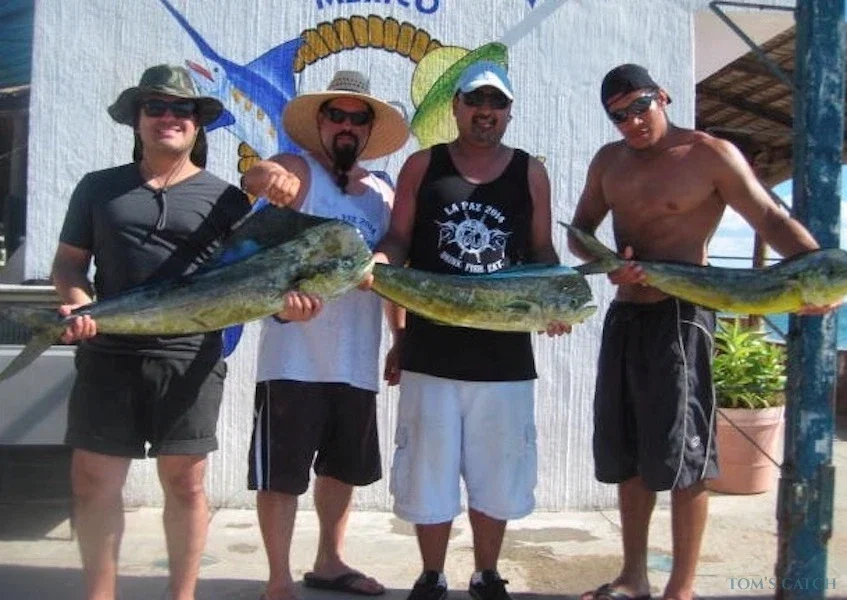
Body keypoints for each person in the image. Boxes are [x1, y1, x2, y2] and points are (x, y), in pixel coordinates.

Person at [568, 63, 837, 600]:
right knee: (628, 456)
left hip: (683, 317)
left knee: (687, 458)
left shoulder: (709, 155)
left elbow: (770, 217)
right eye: (619, 116)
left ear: (662, 97)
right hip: (626, 314)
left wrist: (816, 274)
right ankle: (633, 577)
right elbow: (579, 233)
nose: (632, 121)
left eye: (640, 106)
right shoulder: (608, 162)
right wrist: (607, 260)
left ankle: (681, 588)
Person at [372, 60, 569, 600]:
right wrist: (379, 270)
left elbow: (542, 252)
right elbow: (398, 241)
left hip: (505, 358)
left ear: (509, 112)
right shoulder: (422, 166)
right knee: (427, 473)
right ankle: (431, 574)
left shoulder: (530, 172)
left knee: (498, 474)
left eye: (496, 103)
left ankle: (486, 573)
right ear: (456, 107)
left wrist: (554, 300)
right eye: (475, 101)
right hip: (430, 352)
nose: (486, 112)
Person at [53, 65, 251, 600]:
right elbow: (69, 265)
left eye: (182, 109)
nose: (169, 117)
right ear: (137, 119)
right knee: (93, 484)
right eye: (155, 107)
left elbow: (249, 282)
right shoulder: (98, 188)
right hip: (106, 354)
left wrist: (292, 304)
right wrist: (78, 302)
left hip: (190, 359)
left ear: (197, 123)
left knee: (186, 484)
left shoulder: (228, 200)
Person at [241, 70, 409, 600]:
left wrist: (399, 336)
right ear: (320, 122)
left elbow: (391, 268)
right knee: (281, 475)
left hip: (356, 358)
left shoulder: (382, 192)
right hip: (291, 358)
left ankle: (330, 562)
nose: (346, 125)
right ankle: (277, 579)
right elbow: (258, 176)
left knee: (341, 470)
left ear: (369, 129)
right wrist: (266, 176)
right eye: (336, 115)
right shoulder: (300, 169)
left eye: (358, 118)